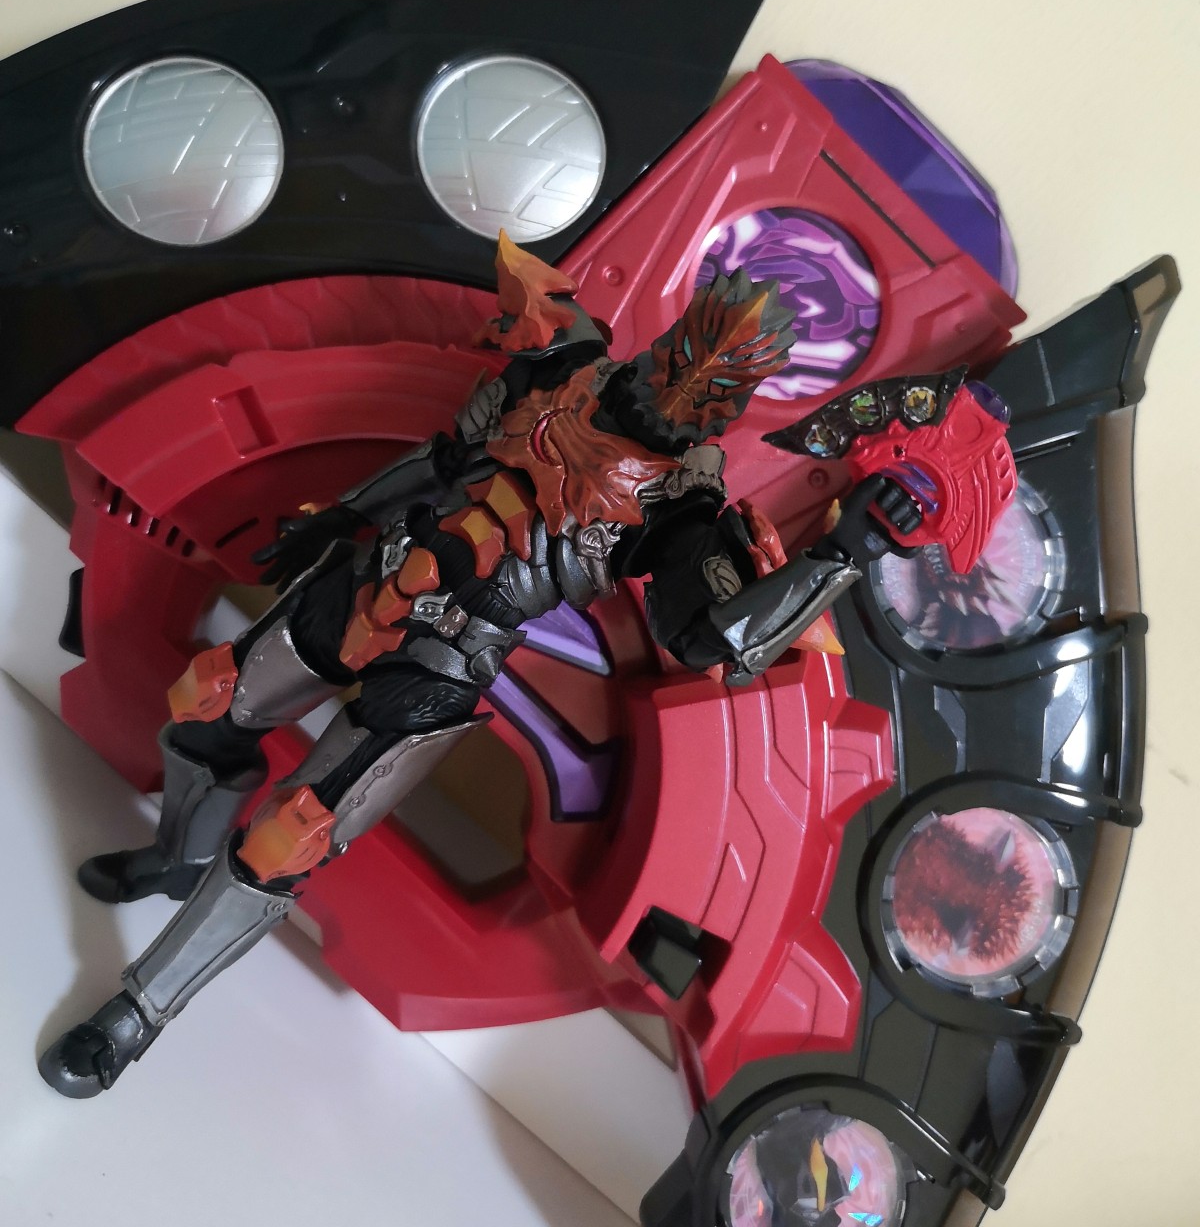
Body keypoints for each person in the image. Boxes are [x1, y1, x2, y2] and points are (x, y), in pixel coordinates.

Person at [38, 232, 918, 1097]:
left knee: (290, 834)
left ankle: (137, 1014)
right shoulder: (564, 366)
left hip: (445, 662)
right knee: (206, 701)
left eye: (715, 387)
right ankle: (177, 858)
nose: (684, 389)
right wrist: (339, 516)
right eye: (686, 358)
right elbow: (442, 461)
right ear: (669, 338)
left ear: (732, 407)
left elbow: (714, 640)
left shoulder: (685, 511)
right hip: (371, 579)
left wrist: (844, 551)